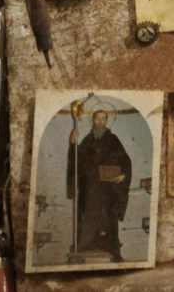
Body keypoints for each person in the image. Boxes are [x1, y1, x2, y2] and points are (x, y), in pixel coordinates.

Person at [67, 110, 132, 261]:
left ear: (107, 121)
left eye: (103, 118)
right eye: (98, 118)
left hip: (108, 189)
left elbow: (125, 160)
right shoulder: (88, 140)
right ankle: (86, 243)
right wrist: (73, 143)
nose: (101, 121)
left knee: (107, 216)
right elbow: (77, 160)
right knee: (88, 214)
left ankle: (110, 245)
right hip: (89, 188)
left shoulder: (113, 139)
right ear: (93, 120)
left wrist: (124, 175)